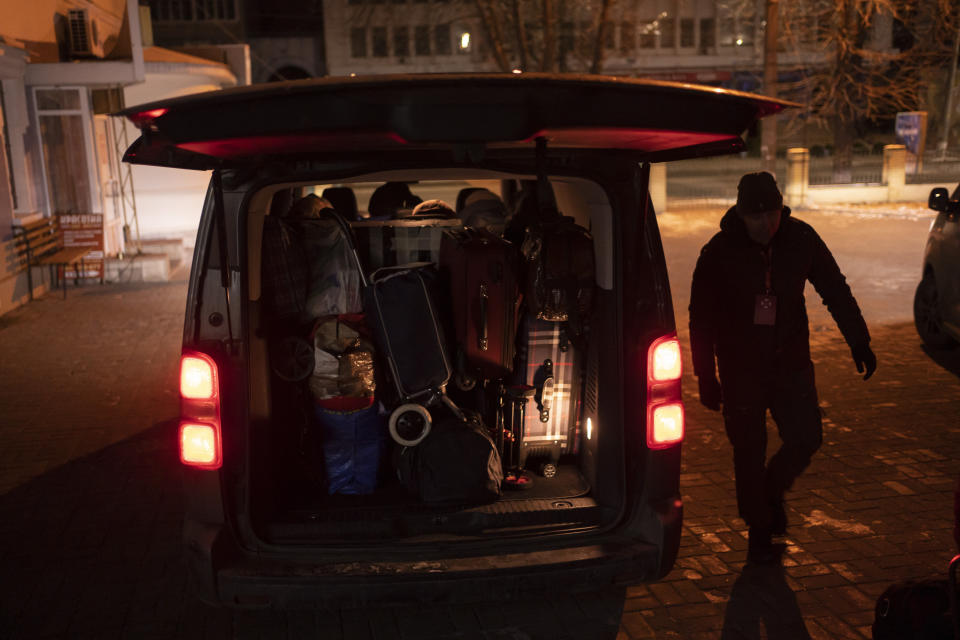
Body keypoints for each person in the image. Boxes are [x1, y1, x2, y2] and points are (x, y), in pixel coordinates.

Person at [689, 171, 877, 563]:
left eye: (772, 214)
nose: (766, 224)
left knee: (807, 436)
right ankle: (759, 524)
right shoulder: (719, 252)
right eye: (756, 217)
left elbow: (834, 288)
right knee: (748, 449)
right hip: (741, 367)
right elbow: (700, 318)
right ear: (741, 215)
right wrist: (706, 375)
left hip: (790, 361)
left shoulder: (801, 239)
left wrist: (859, 340)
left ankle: (770, 491)